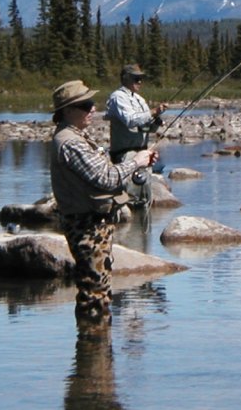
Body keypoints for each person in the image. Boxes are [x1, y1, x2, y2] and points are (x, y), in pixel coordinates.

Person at [50, 80, 157, 326]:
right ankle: (92, 349)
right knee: (94, 294)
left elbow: (103, 171)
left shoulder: (77, 137)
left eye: (91, 104)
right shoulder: (70, 142)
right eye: (85, 105)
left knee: (99, 290)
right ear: (67, 111)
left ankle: (97, 356)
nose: (92, 109)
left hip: (93, 224)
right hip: (86, 226)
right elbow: (106, 178)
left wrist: (140, 162)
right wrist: (136, 162)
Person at [104, 64, 167, 208]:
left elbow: (145, 127)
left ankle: (144, 228)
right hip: (126, 155)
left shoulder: (140, 99)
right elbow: (130, 120)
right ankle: (130, 227)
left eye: (141, 78)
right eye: (136, 78)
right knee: (131, 199)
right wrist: (152, 112)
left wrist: (156, 121)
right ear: (125, 78)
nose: (140, 82)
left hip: (143, 155)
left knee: (145, 197)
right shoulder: (117, 97)